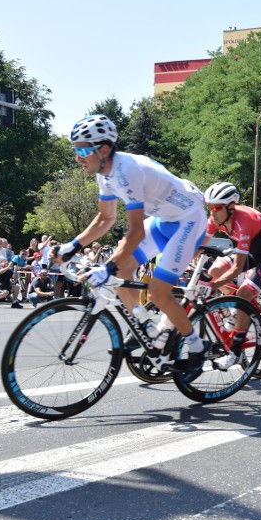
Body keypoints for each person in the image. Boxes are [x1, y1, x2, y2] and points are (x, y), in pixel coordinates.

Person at [54, 114, 209, 371]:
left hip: (188, 221)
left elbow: (135, 231)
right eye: (75, 150)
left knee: (158, 292)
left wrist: (107, 268)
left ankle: (197, 347)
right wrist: (73, 246)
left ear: (103, 149)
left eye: (83, 150)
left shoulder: (127, 171)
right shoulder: (104, 174)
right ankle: (147, 326)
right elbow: (106, 217)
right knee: (123, 270)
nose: (77, 157)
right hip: (162, 220)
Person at [202, 182, 261, 369]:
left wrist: (212, 287)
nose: (212, 212)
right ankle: (237, 309)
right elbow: (200, 245)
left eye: (217, 207)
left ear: (231, 207)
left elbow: (236, 268)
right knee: (213, 272)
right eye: (209, 207)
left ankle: (235, 352)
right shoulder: (214, 219)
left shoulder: (244, 221)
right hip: (251, 250)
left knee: (243, 294)